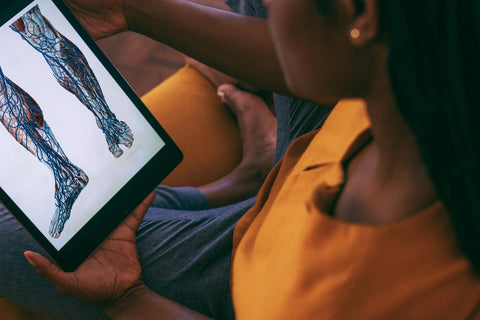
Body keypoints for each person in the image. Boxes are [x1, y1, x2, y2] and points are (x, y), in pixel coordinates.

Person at [13, 0, 480, 318]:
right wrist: (128, 6)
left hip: (266, 252)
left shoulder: (326, 297)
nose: (271, 12)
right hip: (311, 165)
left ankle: (238, 185)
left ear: (359, 13)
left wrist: (126, 297)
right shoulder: (434, 82)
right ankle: (251, 177)